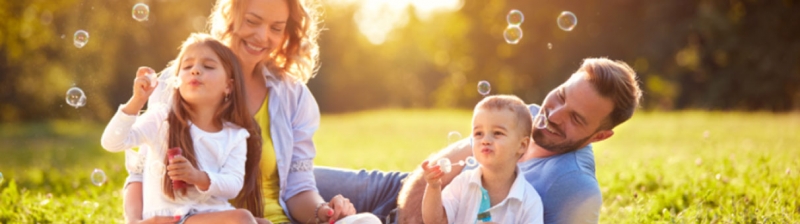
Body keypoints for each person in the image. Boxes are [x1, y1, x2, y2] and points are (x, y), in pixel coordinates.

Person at [314, 57, 642, 223]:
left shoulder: (575, 188)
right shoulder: (522, 114)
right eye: (560, 97)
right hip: (397, 190)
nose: (554, 114)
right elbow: (446, 161)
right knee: (287, 180)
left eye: (577, 119)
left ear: (600, 136)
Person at [122, 0, 357, 223]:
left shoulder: (291, 95)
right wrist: (134, 222)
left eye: (276, 28)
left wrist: (323, 212)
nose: (263, 36)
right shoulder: (179, 82)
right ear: (231, 17)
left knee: (369, 218)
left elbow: (299, 188)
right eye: (252, 22)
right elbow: (141, 171)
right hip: (203, 220)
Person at [102, 33, 262, 223]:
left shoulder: (235, 135)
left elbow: (233, 184)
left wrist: (198, 177)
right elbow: (112, 142)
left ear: (229, 86)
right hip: (171, 217)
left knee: (263, 223)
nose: (195, 70)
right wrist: (137, 101)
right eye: (187, 66)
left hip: (210, 214)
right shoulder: (161, 119)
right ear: (177, 82)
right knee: (242, 218)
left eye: (208, 66)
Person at [421, 95, 543, 224]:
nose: (485, 140)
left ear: (522, 145)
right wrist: (434, 187)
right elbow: (435, 221)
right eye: (478, 133)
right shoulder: (463, 183)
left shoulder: (529, 202)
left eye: (497, 133)